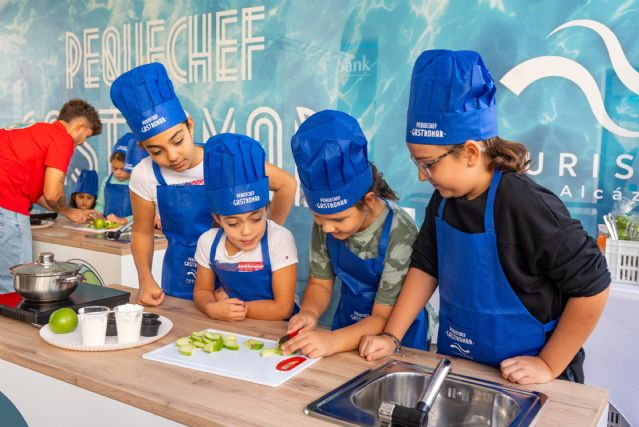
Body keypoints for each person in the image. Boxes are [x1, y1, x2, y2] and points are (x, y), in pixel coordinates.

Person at [359, 50, 610, 385]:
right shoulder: (443, 200)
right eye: (416, 162)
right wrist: (392, 337)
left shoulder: (524, 204)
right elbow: (425, 265)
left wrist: (549, 365)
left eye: (428, 163)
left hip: (532, 378)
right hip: (463, 368)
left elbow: (593, 287)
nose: (422, 175)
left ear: (471, 153)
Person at [110, 62, 297, 305]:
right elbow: (142, 232)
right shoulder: (145, 175)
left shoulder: (225, 159)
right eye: (157, 151)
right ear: (144, 148)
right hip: (181, 278)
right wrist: (145, 279)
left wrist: (263, 237)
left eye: (177, 141)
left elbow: (286, 184)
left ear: (189, 125)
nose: (173, 156)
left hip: (236, 278)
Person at [282, 110, 428, 359]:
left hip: (392, 339)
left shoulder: (399, 230)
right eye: (318, 216)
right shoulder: (326, 223)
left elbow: (383, 316)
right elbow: (319, 283)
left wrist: (332, 341)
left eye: (339, 219)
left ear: (368, 201)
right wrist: (309, 312)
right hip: (345, 328)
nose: (327, 228)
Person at [0, 99, 102, 293]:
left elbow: (39, 194)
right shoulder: (61, 138)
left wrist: (66, 211)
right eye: (86, 136)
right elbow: (53, 194)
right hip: (7, 204)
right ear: (80, 126)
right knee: (13, 285)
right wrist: (70, 211)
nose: (81, 142)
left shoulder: (35, 131)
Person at [193, 133, 299, 321]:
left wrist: (231, 308)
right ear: (218, 218)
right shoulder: (208, 242)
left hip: (280, 328)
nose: (246, 231)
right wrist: (211, 307)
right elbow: (202, 290)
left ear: (267, 209)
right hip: (235, 328)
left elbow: (282, 308)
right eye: (233, 223)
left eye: (256, 218)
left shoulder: (279, 239)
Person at [94, 133, 135, 225]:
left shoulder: (137, 183)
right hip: (108, 227)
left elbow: (142, 213)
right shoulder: (107, 181)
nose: (118, 173)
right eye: (114, 168)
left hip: (130, 229)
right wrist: (97, 213)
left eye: (123, 169)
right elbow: (100, 205)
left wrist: (124, 220)